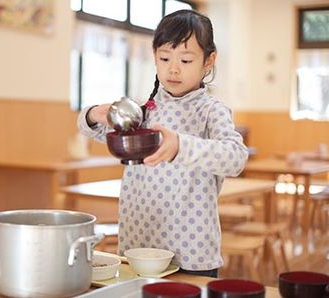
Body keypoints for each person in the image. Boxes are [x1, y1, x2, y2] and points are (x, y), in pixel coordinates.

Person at [77, 9, 248, 277]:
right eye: (165, 57)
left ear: (208, 61)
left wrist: (181, 145)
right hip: (139, 243)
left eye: (186, 59)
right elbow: (98, 132)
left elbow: (236, 157)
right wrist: (93, 114)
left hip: (190, 251)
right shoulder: (145, 110)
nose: (173, 68)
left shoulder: (211, 110)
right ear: (154, 56)